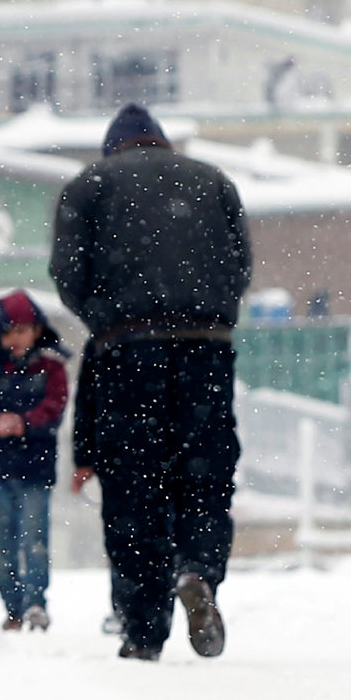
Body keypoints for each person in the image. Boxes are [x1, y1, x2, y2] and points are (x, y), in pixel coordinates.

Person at [48, 103, 250, 663]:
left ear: (114, 148)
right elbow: (240, 268)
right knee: (204, 472)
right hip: (206, 347)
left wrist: (106, 318)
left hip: (126, 350)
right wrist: (210, 315)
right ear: (161, 142)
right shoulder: (214, 182)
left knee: (134, 487)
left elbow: (68, 273)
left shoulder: (88, 187)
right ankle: (198, 570)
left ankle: (143, 629)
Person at [0, 289, 67, 632]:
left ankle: (35, 602)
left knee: (34, 540)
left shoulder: (52, 370)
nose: (16, 339)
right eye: (9, 332)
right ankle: (12, 608)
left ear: (37, 330)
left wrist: (24, 423)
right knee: (3, 546)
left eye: (23, 330)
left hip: (36, 470)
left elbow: (55, 408)